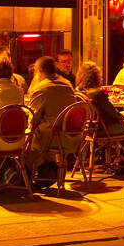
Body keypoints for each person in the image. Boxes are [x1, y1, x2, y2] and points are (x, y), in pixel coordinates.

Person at [27, 56, 78, 185]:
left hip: (50, 138)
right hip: (71, 135)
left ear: (39, 71)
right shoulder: (67, 84)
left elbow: (33, 119)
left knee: (25, 139)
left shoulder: (41, 89)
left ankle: (24, 179)